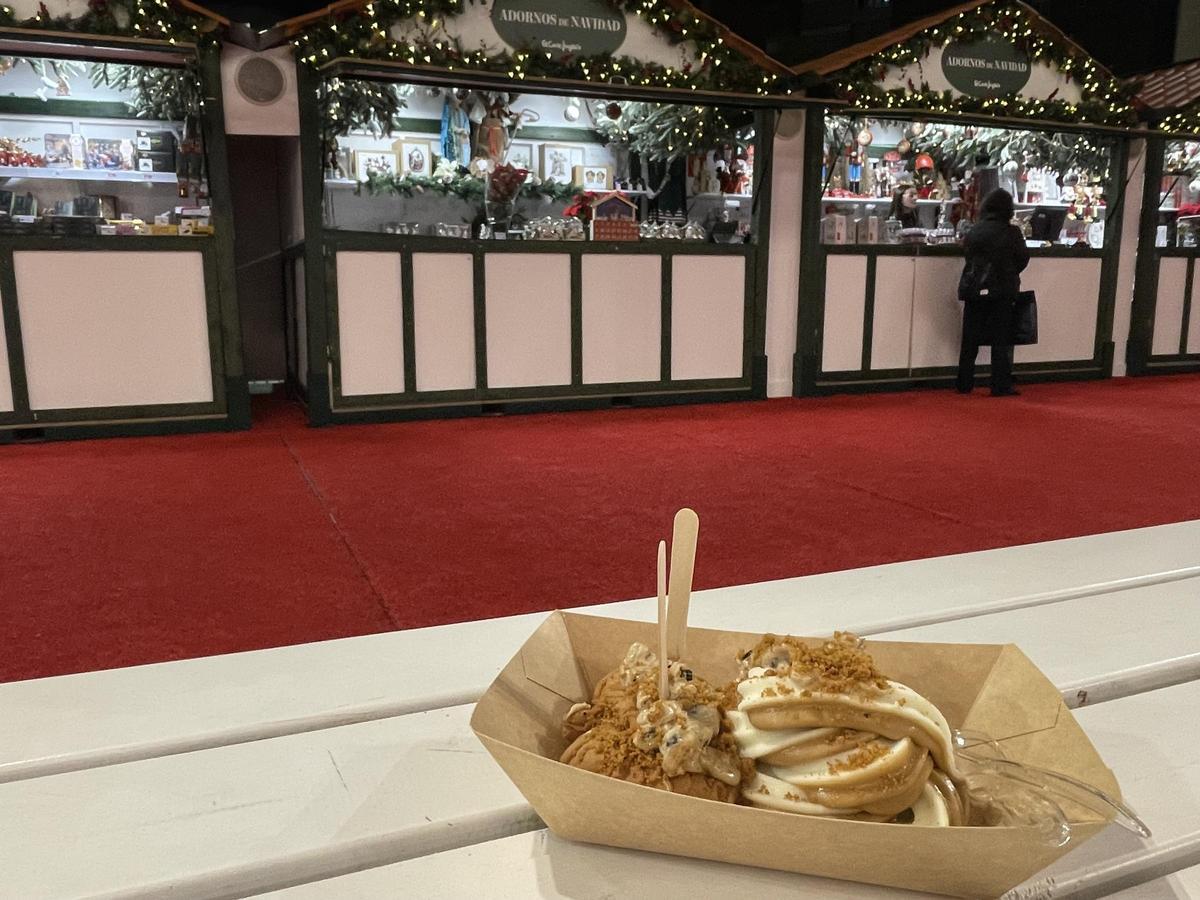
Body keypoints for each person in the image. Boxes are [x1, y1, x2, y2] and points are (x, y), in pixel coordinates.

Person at [956, 188, 1029, 397]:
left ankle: (964, 382)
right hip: (1002, 289)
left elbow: (968, 255)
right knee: (1001, 339)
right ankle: (1000, 384)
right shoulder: (1012, 232)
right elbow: (1022, 258)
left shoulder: (974, 231)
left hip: (974, 289)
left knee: (970, 339)